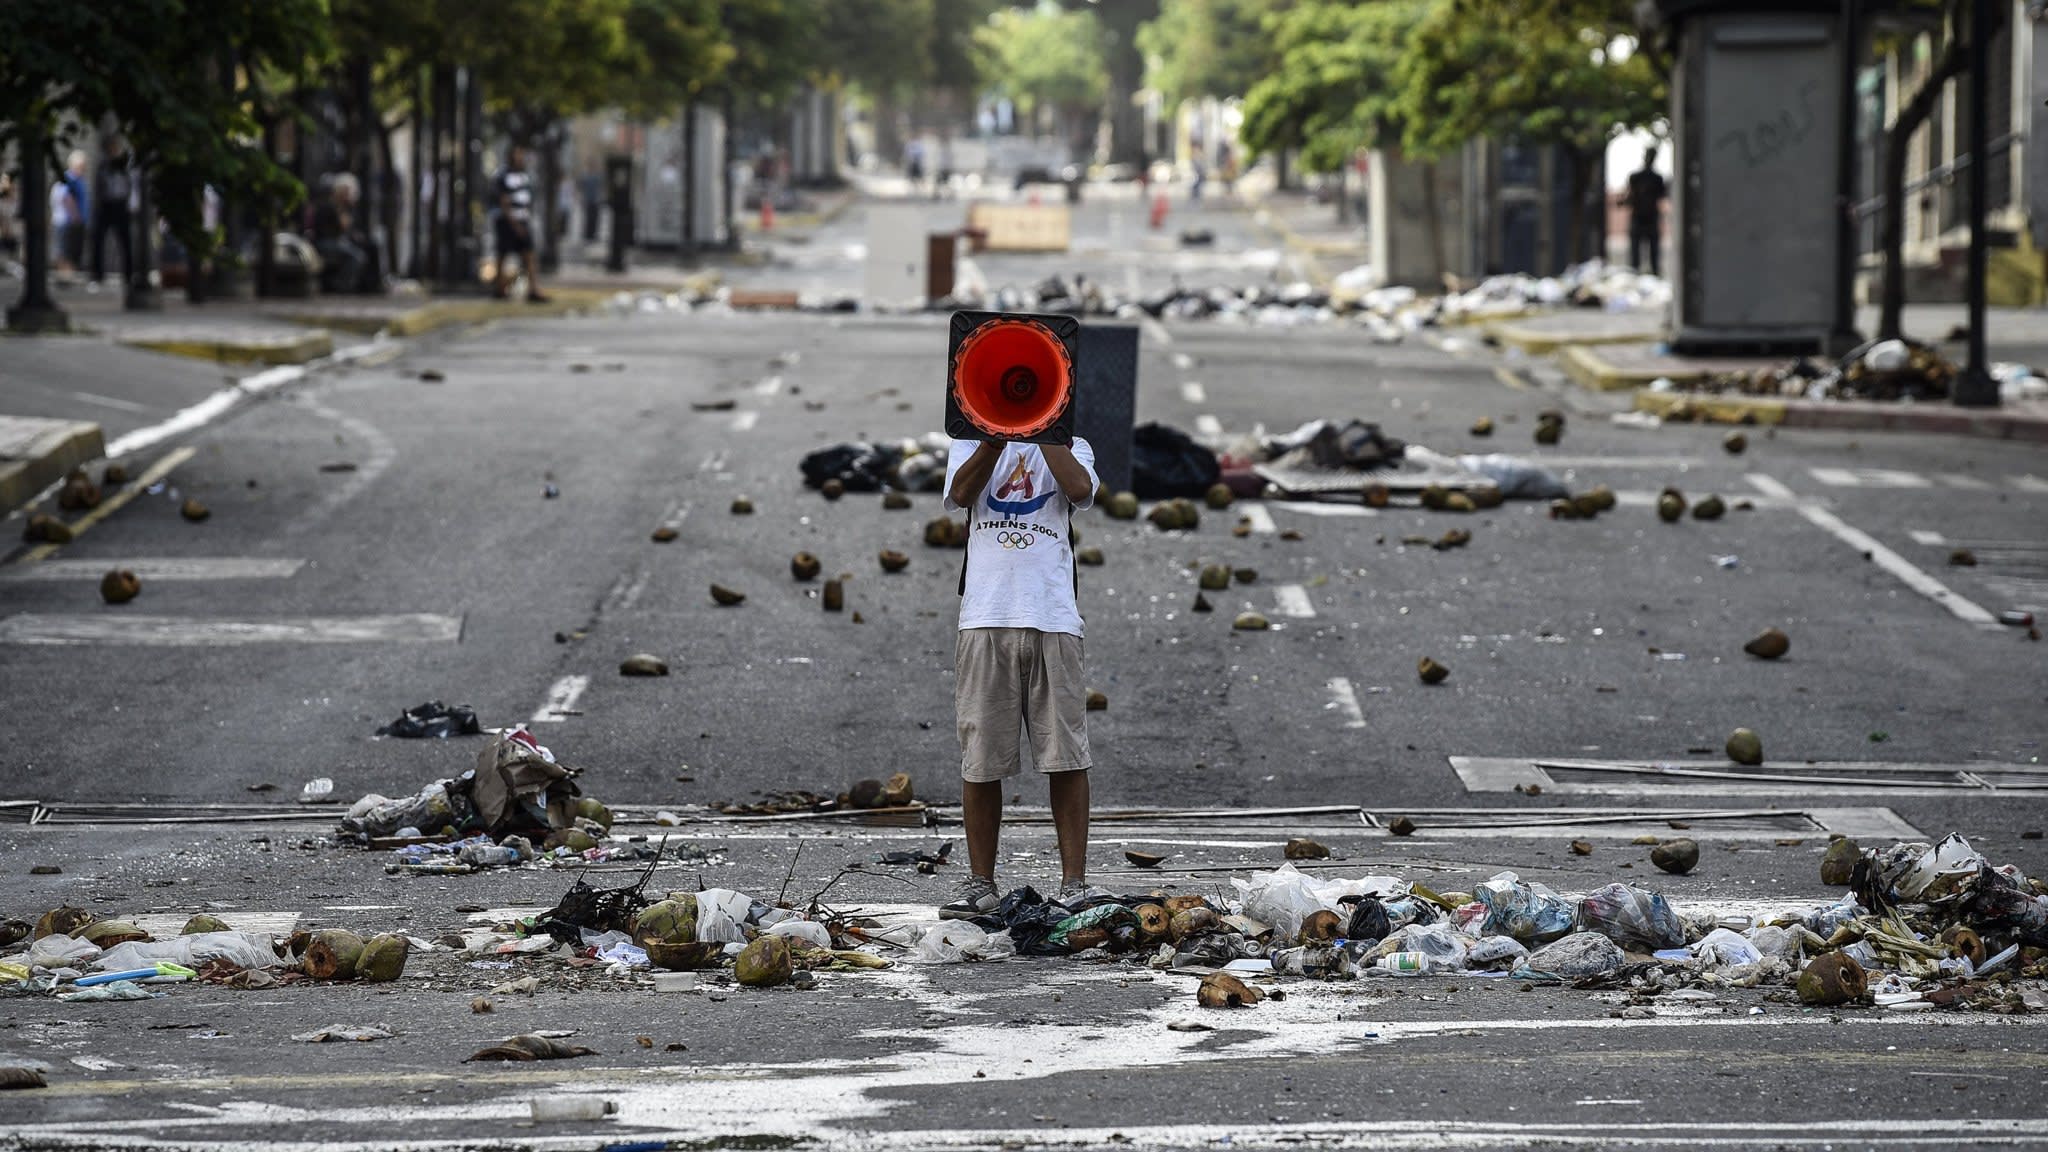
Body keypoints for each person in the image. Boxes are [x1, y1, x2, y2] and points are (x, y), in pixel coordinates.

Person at [938, 431, 1102, 919]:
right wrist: (993, 438)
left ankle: (1075, 883)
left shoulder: (1076, 445)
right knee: (981, 756)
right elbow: (961, 495)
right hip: (985, 616)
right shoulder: (969, 443)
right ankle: (980, 883)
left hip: (1053, 617)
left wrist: (1043, 430)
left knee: (1066, 754)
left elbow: (1078, 489)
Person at [491, 144, 546, 302]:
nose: (520, 158)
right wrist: (514, 223)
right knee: (502, 255)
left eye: (522, 154)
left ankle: (533, 288)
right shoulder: (503, 175)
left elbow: (528, 197)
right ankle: (499, 287)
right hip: (508, 221)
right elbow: (504, 201)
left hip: (523, 218)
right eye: (518, 154)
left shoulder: (525, 175)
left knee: (529, 254)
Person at [313, 173, 376, 293]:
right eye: (345, 192)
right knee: (357, 257)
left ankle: (367, 285)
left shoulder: (345, 207)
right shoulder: (330, 206)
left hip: (339, 241)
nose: (348, 195)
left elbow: (350, 228)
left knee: (369, 248)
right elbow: (341, 227)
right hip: (326, 242)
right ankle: (342, 285)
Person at [90, 137, 134, 286]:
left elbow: (129, 185)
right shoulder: (103, 165)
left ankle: (128, 273)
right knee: (98, 239)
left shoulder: (124, 166)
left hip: (121, 204)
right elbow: (98, 186)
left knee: (125, 240)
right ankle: (97, 272)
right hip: (106, 204)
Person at [1625, 147, 1669, 277]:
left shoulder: (1656, 178)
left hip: (1648, 217)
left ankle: (1649, 274)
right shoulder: (1638, 177)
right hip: (1641, 217)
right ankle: (1637, 274)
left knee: (1652, 253)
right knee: (1637, 255)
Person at [51, 151, 88, 275]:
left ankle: (69, 273)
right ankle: (65, 274)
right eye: (81, 166)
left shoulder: (78, 179)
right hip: (67, 221)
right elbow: (66, 198)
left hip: (73, 220)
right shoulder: (68, 178)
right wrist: (75, 215)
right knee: (65, 249)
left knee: (72, 250)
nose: (83, 169)